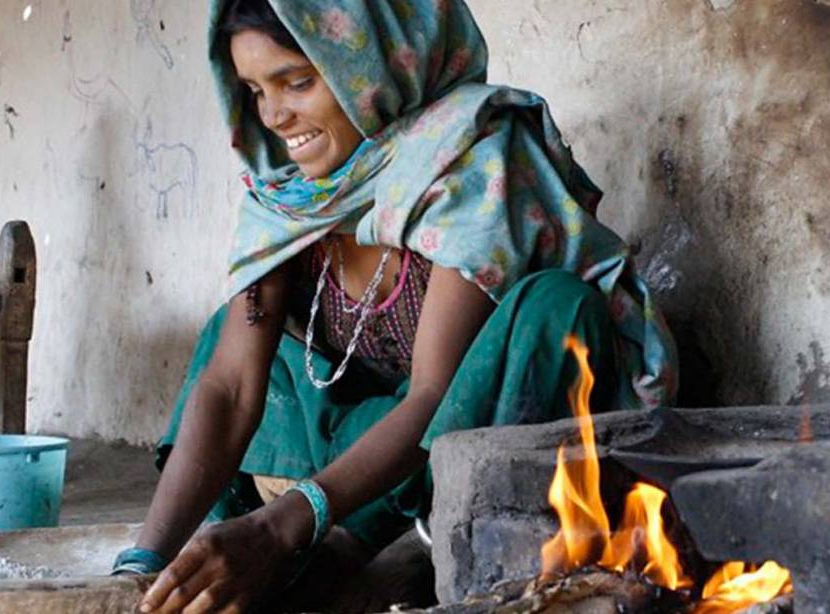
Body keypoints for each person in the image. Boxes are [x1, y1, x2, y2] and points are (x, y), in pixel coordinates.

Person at [119, 1, 678, 611]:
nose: (276, 116)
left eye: (299, 82)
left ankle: (372, 548)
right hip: (363, 437)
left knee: (558, 310)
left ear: (370, 62)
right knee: (227, 338)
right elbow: (230, 388)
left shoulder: (466, 156)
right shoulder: (287, 192)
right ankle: (205, 575)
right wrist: (139, 569)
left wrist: (283, 525)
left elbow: (434, 397)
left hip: (457, 435)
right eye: (255, 90)